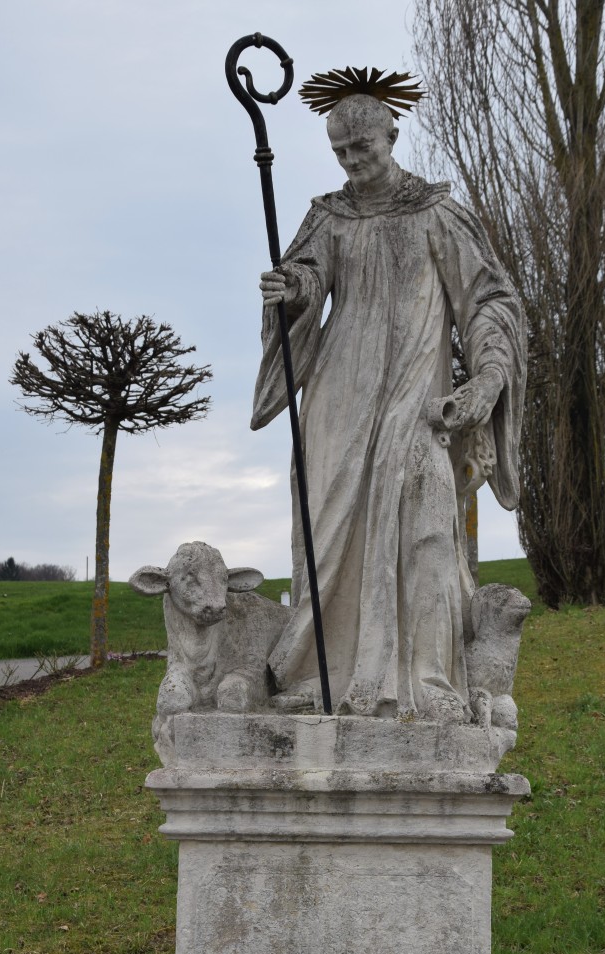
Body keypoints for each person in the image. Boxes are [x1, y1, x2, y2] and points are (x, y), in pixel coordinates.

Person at [252, 85, 526, 720]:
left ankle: (425, 682)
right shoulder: (327, 215)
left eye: (361, 146)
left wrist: (485, 380)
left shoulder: (436, 213)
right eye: (339, 149)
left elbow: (489, 300)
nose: (350, 159)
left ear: (392, 136)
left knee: (425, 525)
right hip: (338, 401)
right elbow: (305, 282)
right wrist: (291, 289)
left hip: (413, 398)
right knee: (325, 536)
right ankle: (321, 677)